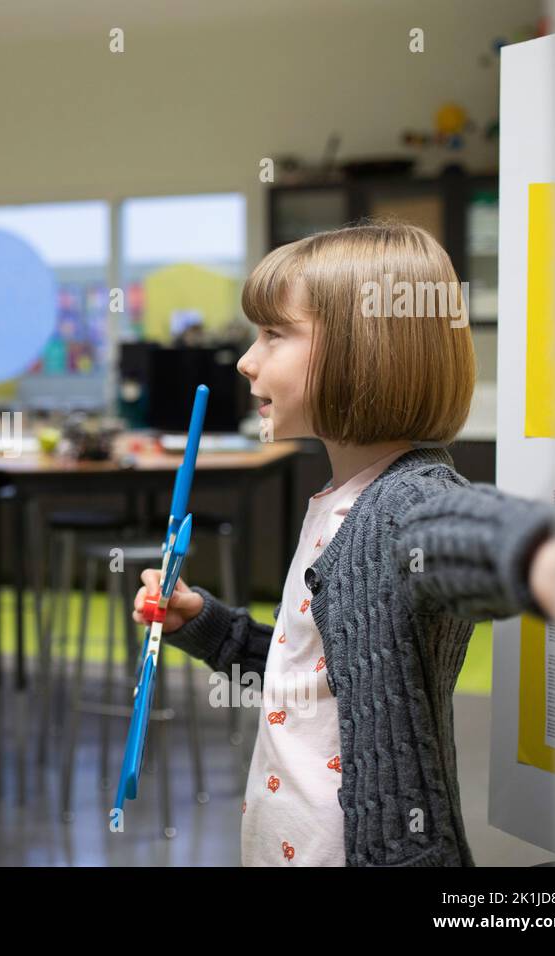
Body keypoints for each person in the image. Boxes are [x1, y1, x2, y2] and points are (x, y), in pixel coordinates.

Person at [134, 222, 505, 867]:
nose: (247, 360)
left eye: (274, 334)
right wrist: (209, 626)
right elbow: (309, 688)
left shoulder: (400, 503)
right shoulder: (341, 500)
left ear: (367, 348)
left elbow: (475, 532)